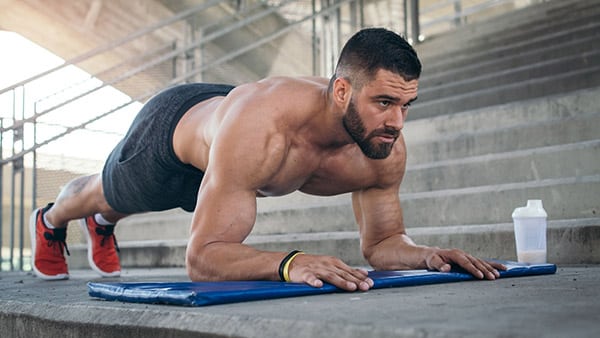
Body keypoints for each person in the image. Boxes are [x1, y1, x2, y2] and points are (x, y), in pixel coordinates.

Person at [30, 28, 505, 290]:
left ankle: (103, 223)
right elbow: (203, 257)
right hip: (174, 134)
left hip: (230, 132)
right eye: (384, 103)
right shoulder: (263, 130)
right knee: (105, 194)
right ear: (342, 91)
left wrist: (426, 255)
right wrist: (289, 262)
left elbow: (382, 244)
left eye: (406, 106)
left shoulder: (382, 147)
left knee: (122, 202)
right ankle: (51, 220)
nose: (398, 122)